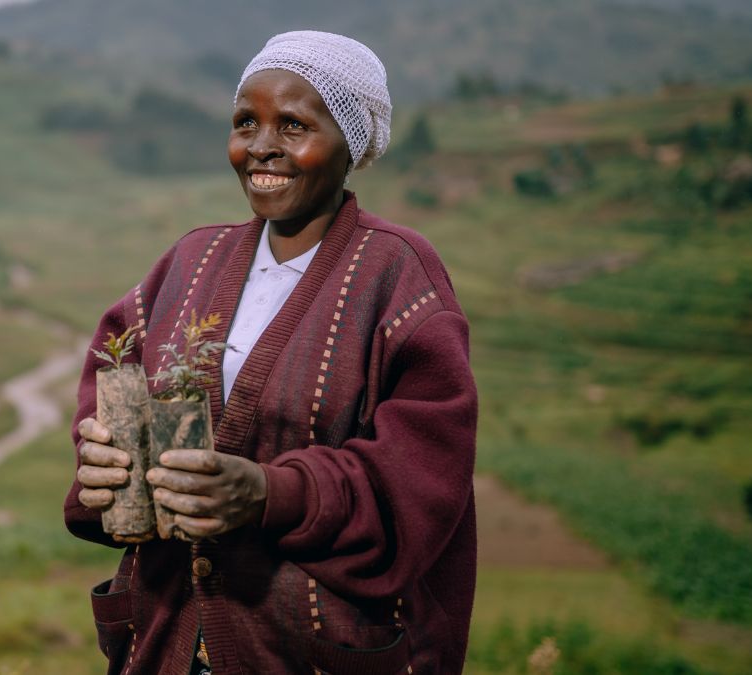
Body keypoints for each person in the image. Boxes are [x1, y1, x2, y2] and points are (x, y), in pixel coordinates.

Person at [65, 31, 477, 674]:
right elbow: (112, 375)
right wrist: (99, 460)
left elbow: (423, 479)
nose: (261, 146)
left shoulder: (398, 275)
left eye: (293, 124)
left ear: (351, 142)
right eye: (245, 122)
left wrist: (271, 494)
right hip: (167, 636)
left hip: (308, 649)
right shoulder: (191, 260)